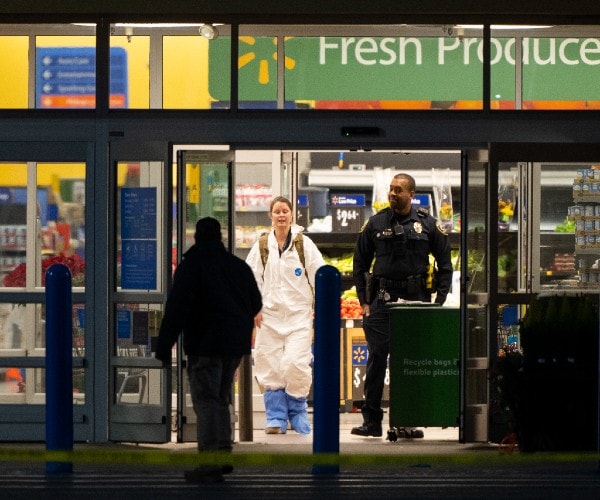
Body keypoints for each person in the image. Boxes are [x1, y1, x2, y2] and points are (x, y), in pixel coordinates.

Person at [155, 217, 262, 484]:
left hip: (204, 345)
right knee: (222, 398)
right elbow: (255, 302)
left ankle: (210, 462)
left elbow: (176, 309)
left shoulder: (191, 267)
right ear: (220, 237)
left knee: (207, 402)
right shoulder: (237, 267)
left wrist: (163, 345)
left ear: (196, 238)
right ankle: (223, 454)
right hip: (233, 347)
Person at [351, 173, 453, 438]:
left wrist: (438, 302)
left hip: (416, 303)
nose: (392, 194)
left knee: (410, 361)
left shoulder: (428, 225)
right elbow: (359, 265)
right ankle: (372, 421)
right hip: (382, 303)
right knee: (377, 358)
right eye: (391, 189)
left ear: (411, 194)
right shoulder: (375, 223)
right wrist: (364, 302)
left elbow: (445, 264)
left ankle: (408, 420)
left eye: (398, 190)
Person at [246, 196, 326, 435]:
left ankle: (298, 412)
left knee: (295, 364)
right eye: (277, 211)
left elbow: (320, 275)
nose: (281, 215)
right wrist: (254, 306)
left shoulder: (304, 245)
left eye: (285, 211)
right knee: (268, 366)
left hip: (298, 318)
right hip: (268, 319)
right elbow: (250, 278)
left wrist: (320, 311)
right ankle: (276, 417)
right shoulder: (261, 245)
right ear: (270, 216)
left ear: (292, 215)